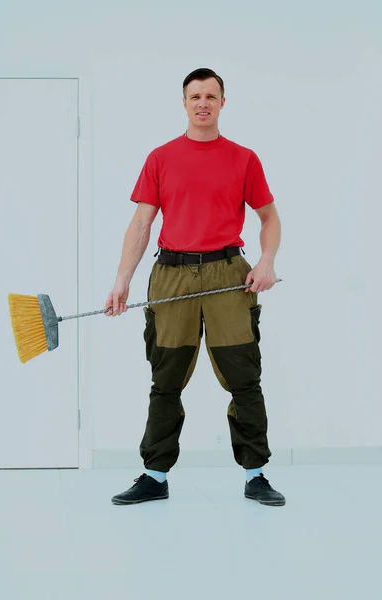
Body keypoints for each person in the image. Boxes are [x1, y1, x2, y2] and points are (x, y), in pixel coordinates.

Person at [105, 68, 286, 507]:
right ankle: (154, 477)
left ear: (223, 102)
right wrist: (122, 280)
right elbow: (142, 223)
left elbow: (269, 218)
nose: (202, 103)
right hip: (172, 275)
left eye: (211, 95)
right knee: (165, 379)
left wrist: (265, 261)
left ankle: (256, 475)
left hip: (229, 275)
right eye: (194, 96)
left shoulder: (244, 158)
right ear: (184, 103)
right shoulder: (161, 157)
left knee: (244, 377)